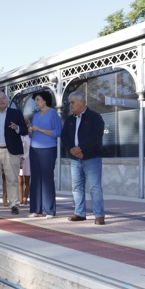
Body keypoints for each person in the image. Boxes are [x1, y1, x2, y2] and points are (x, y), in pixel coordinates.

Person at [60, 91, 106, 225]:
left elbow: (96, 136)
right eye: (70, 103)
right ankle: (80, 213)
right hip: (75, 160)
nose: (71, 105)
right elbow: (64, 137)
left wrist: (79, 148)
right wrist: (73, 150)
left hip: (92, 158)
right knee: (76, 187)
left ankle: (99, 215)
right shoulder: (69, 119)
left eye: (73, 102)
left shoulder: (95, 117)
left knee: (94, 187)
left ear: (82, 102)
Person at [27, 91, 62, 218]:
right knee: (35, 179)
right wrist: (30, 130)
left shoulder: (53, 114)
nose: (36, 102)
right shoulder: (35, 115)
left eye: (38, 99)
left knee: (47, 179)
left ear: (45, 100)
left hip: (48, 149)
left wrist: (40, 129)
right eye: (35, 100)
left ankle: (49, 211)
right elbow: (33, 131)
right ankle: (36, 210)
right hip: (34, 149)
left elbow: (58, 132)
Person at [19, 117, 32, 205]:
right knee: (20, 181)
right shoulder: (18, 135)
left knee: (26, 181)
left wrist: (24, 157)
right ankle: (20, 199)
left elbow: (31, 149)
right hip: (19, 160)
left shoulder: (30, 136)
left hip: (27, 160)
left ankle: (25, 199)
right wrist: (19, 157)